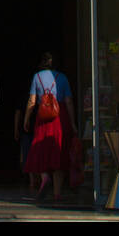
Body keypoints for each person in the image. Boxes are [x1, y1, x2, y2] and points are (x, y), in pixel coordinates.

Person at [23, 51, 76, 202]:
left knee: (41, 150)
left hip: (42, 118)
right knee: (58, 152)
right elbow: (69, 101)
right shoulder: (63, 78)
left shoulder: (37, 77)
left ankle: (45, 177)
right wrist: (72, 123)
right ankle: (57, 193)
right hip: (60, 117)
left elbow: (32, 101)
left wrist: (26, 119)